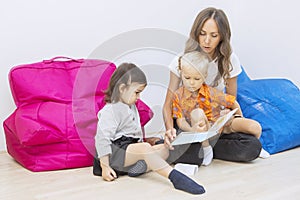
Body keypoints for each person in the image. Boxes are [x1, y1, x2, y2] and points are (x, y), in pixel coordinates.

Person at [163, 7, 263, 164]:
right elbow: (167, 105)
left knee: (252, 146)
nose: (206, 41)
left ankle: (204, 149)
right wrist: (170, 130)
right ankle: (201, 148)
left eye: (213, 35)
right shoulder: (181, 60)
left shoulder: (229, 60)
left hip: (216, 121)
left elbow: (231, 100)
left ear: (222, 37)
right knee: (179, 145)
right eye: (202, 34)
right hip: (189, 122)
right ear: (196, 33)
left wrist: (231, 116)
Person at [93, 63, 205, 195]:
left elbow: (135, 134)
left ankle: (140, 167)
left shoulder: (131, 106)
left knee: (164, 149)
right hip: (112, 155)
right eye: (137, 93)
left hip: (129, 150)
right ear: (122, 88)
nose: (139, 97)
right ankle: (175, 177)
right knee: (145, 149)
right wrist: (105, 166)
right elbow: (101, 139)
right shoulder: (111, 110)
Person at [172, 51, 270, 166]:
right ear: (181, 74)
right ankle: (206, 149)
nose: (192, 83)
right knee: (197, 113)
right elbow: (180, 120)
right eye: (187, 78)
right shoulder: (178, 96)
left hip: (220, 125)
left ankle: (258, 147)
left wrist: (238, 116)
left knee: (255, 126)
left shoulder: (210, 91)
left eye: (197, 79)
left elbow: (232, 102)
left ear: (204, 77)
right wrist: (191, 129)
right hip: (202, 129)